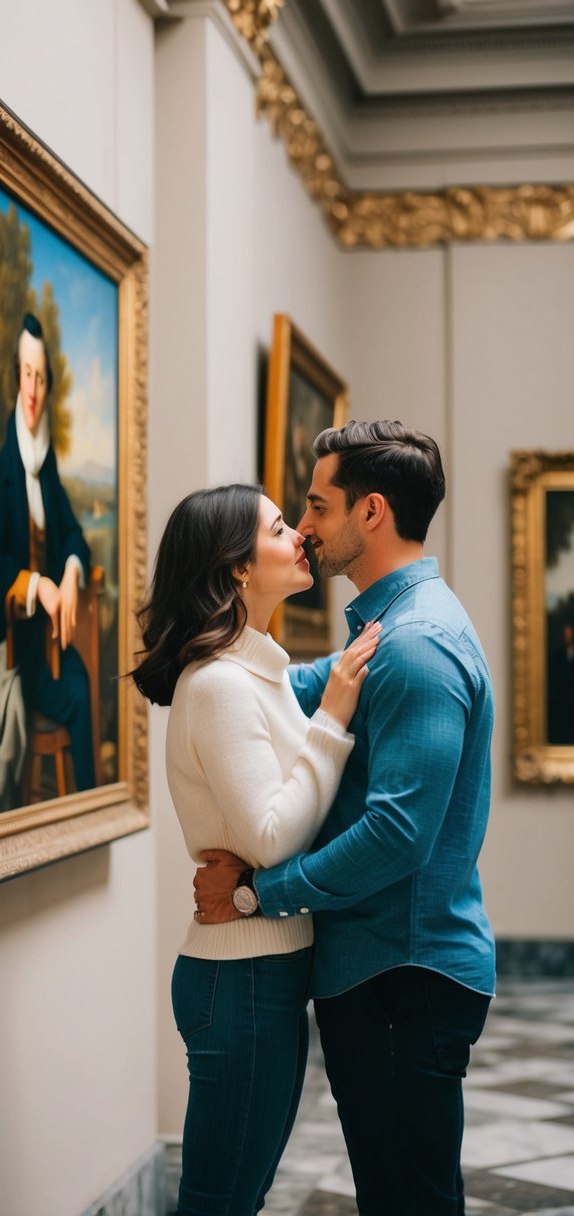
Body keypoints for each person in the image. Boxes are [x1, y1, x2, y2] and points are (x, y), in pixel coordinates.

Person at [194, 421, 496, 1216]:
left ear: (369, 514)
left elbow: (398, 833)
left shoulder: (416, 644)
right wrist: (199, 656)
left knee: (409, 1201)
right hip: (387, 969)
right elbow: (285, 689)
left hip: (403, 973)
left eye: (316, 505)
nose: (303, 527)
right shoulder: (381, 630)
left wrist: (258, 891)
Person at [131, 484, 380, 1216]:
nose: (299, 534)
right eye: (279, 527)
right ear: (237, 568)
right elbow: (271, 836)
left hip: (262, 974)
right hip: (238, 979)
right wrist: (332, 719)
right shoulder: (217, 686)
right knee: (220, 1201)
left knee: (236, 1194)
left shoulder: (258, 672)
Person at [0, 312, 95, 807]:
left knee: (80, 681)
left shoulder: (45, 463)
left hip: (47, 638)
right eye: (26, 374)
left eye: (41, 377)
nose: (33, 388)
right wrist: (38, 585)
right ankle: (82, 806)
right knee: (75, 689)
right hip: (13, 638)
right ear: (16, 378)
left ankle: (87, 807)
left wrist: (69, 575)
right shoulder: (7, 462)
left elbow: (74, 533)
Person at [547, 616, 574, 745]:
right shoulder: (557, 655)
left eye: (569, 630)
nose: (566, 633)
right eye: (565, 630)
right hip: (561, 709)